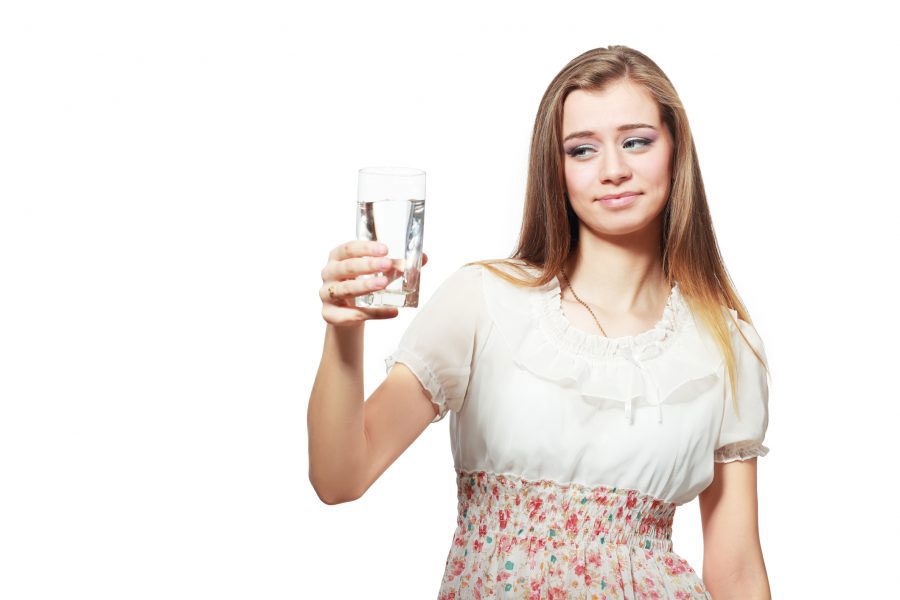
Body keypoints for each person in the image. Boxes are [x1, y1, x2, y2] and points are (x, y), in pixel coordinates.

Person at [309, 45, 772, 599]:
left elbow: (737, 569)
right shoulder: (484, 301)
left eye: (637, 141)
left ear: (675, 151)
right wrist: (344, 329)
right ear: (556, 169)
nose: (614, 169)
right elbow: (339, 478)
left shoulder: (725, 344)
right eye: (582, 150)